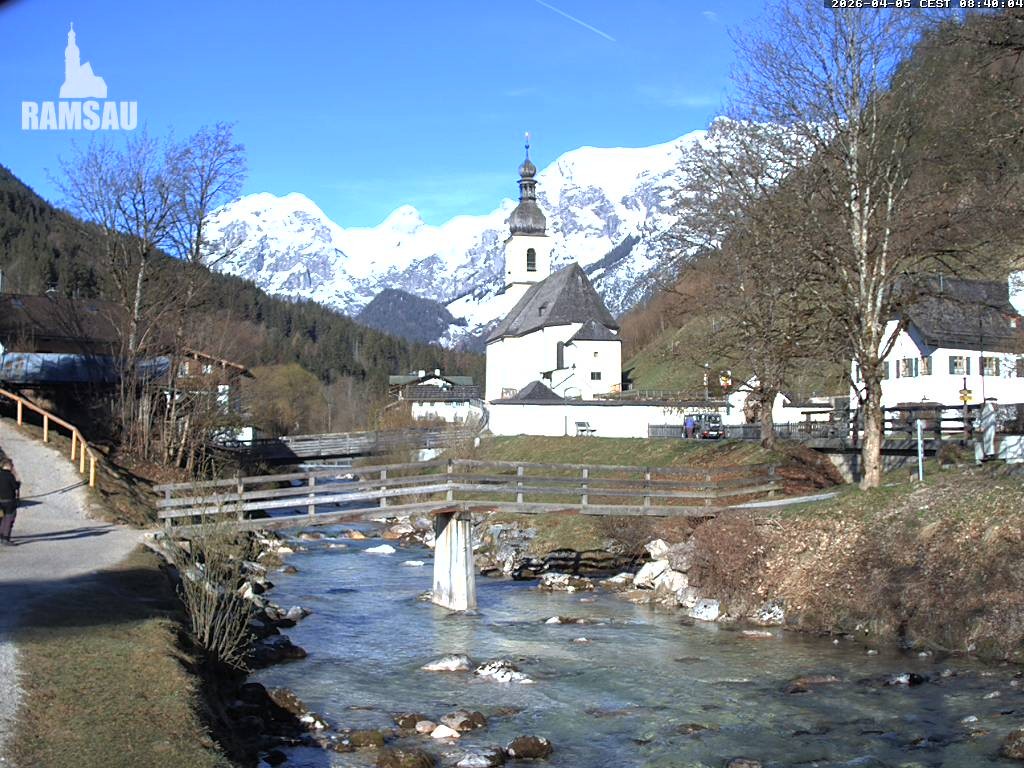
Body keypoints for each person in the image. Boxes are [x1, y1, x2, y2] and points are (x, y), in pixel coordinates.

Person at [0, 458, 20, 545]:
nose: (12, 467)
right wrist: (18, 483)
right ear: (8, 465)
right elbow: (15, 487)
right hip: (9, 501)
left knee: (2, 519)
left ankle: (1, 536)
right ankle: (5, 539)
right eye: (12, 465)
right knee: (9, 519)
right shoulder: (10, 476)